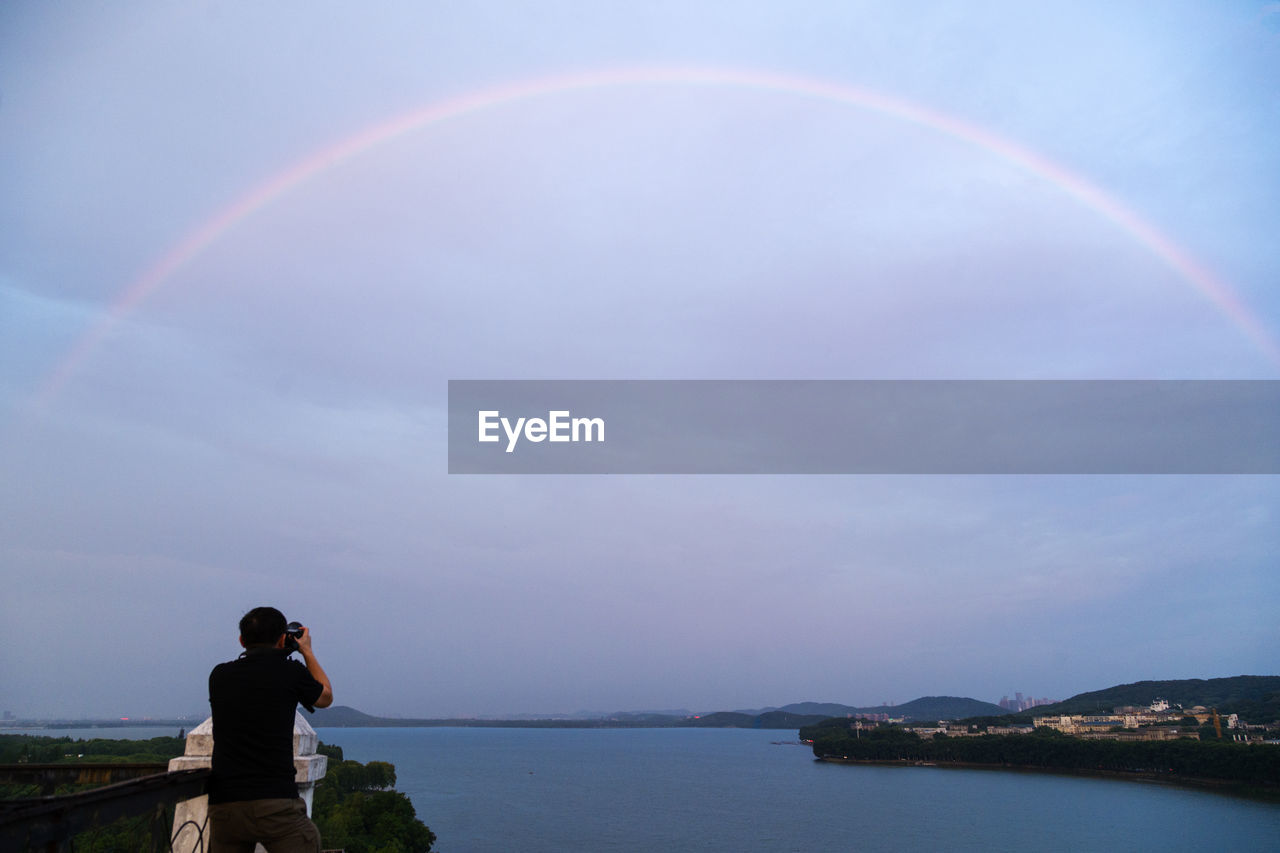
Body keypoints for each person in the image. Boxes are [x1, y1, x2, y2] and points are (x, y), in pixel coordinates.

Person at [206, 606, 334, 853]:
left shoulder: (219, 675)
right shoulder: (290, 672)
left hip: (225, 804)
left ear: (242, 640)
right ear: (281, 638)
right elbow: (325, 697)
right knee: (307, 841)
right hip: (275, 800)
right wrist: (306, 650)